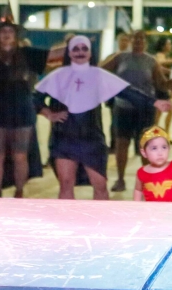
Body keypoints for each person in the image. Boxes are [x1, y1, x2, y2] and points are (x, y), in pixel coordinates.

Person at [36, 35, 151, 200]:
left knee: (100, 185)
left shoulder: (98, 75)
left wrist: (154, 102)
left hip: (92, 138)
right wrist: (48, 113)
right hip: (64, 137)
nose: (80, 52)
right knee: (66, 184)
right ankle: (66, 217)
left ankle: (101, 217)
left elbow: (128, 93)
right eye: (75, 49)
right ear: (69, 52)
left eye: (84, 49)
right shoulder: (58, 76)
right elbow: (35, 98)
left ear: (91, 53)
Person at [0, 21, 65, 198]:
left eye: (10, 31)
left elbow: (53, 54)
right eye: (3, 31)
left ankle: (19, 193)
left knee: (20, 155)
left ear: (16, 35)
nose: (6, 34)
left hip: (22, 110)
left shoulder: (27, 54)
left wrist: (75, 44)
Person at [101, 31, 172, 192]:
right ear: (131, 40)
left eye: (141, 39)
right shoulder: (120, 57)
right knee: (122, 143)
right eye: (135, 38)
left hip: (145, 109)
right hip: (123, 107)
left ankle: (148, 181)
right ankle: (120, 179)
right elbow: (100, 71)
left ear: (145, 42)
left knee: (146, 145)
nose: (138, 41)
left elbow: (161, 83)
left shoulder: (151, 61)